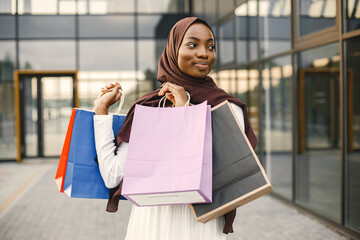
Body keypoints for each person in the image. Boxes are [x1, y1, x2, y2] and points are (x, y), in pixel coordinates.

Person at [93, 17, 257, 240]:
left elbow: (232, 178)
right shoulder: (150, 107)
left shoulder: (226, 107)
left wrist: (186, 113)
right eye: (192, 44)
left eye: (211, 46)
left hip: (200, 227)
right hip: (150, 226)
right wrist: (101, 111)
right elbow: (113, 176)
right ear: (173, 50)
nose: (204, 53)